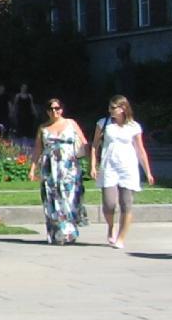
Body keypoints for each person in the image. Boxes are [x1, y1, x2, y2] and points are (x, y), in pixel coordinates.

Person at [89, 95, 154, 251]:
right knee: (109, 204)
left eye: (113, 108)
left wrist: (148, 172)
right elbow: (95, 145)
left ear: (123, 108)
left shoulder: (133, 126)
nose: (110, 110)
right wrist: (93, 165)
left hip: (128, 168)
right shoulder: (104, 123)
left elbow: (140, 149)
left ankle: (121, 237)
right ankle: (111, 226)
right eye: (109, 107)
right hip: (109, 167)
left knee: (126, 204)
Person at [26, 97, 88, 244]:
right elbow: (38, 149)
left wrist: (92, 164)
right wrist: (32, 168)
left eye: (57, 108)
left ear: (62, 109)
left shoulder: (70, 123)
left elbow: (84, 143)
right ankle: (58, 233)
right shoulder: (43, 128)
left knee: (69, 197)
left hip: (69, 167)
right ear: (47, 111)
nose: (54, 111)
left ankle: (69, 231)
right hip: (50, 168)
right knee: (52, 199)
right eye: (51, 109)